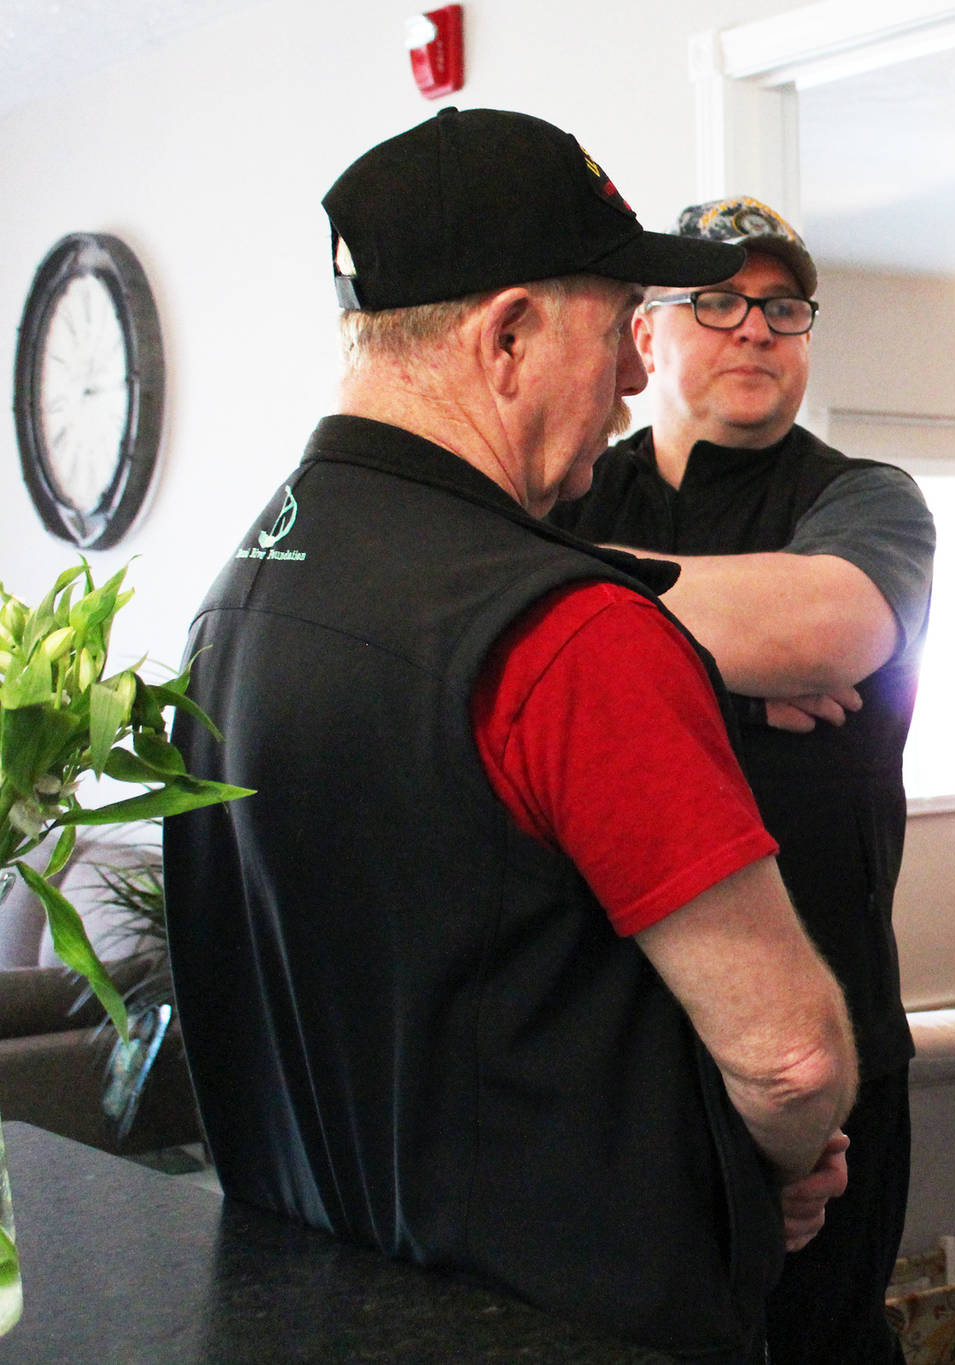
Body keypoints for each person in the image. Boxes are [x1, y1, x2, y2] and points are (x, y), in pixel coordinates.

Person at [162, 108, 859, 1362]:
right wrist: (780, 1173)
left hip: (317, 1306)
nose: (636, 377)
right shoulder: (567, 638)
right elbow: (794, 1059)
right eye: (615, 331)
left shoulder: (240, 597)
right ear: (510, 334)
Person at [549, 196, 934, 1365]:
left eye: (780, 307)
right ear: (644, 336)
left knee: (819, 1343)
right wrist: (726, 654)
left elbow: (830, 628)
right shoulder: (566, 494)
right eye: (715, 302)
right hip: (610, 1047)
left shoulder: (866, 498)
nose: (754, 328)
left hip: (826, 1029)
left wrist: (576, 597)